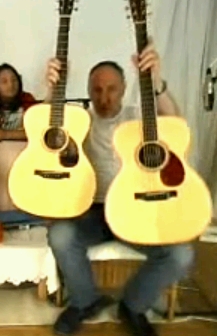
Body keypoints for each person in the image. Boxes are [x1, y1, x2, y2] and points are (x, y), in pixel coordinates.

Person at [45, 42, 194, 336]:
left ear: (124, 88)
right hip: (92, 211)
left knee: (181, 254)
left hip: (137, 210)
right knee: (60, 235)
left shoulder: (138, 118)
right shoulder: (79, 120)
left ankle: (133, 305)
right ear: (88, 90)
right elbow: (48, 128)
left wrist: (158, 82)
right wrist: (51, 91)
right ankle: (86, 301)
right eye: (97, 90)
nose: (104, 97)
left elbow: (176, 123)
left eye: (111, 89)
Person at [0, 63, 46, 229]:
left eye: (14, 80)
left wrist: (5, 135)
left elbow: (39, 131)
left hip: (27, 156)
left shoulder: (28, 101)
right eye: (4, 81)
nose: (10, 85)